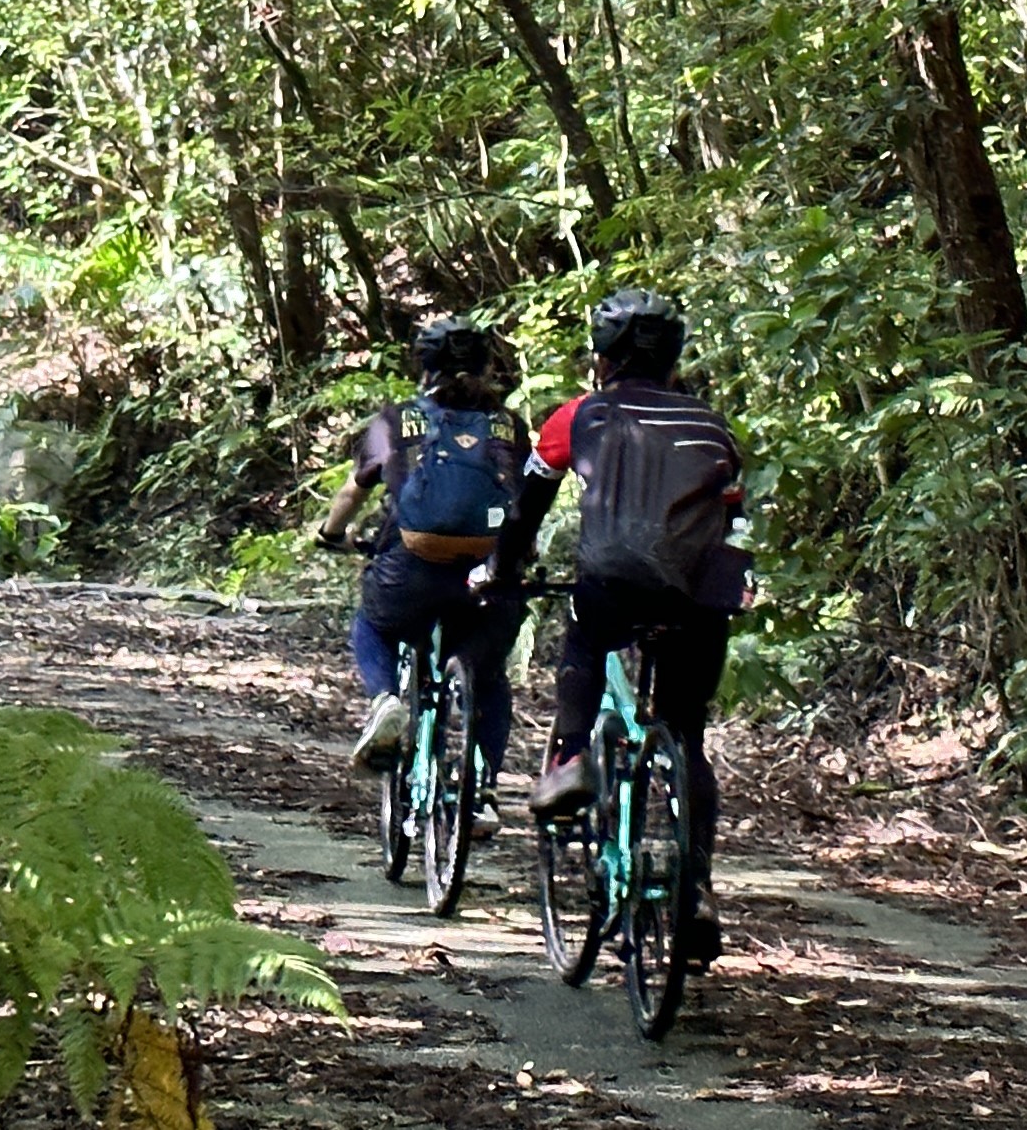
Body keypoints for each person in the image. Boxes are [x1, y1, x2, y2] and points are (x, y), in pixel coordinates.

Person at [517, 287, 746, 969]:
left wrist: (503, 567)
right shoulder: (714, 428)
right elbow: (732, 519)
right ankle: (695, 887)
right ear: (674, 360)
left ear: (602, 359)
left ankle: (567, 763)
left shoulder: (579, 415)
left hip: (613, 582)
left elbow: (529, 501)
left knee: (585, 637)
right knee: (686, 732)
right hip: (702, 595)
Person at [314, 315, 526, 821]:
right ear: (485, 366)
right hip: (490, 575)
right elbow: (526, 495)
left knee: (373, 625)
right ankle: (482, 790)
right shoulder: (509, 426)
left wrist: (331, 533)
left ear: (423, 366)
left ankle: (386, 698)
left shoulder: (396, 421)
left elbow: (354, 490)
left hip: (411, 567)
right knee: (489, 677)